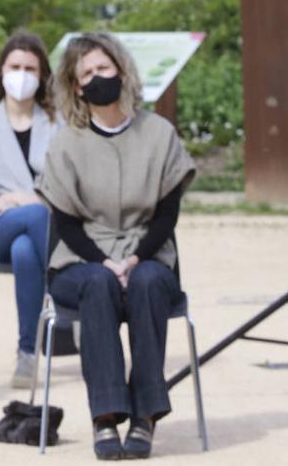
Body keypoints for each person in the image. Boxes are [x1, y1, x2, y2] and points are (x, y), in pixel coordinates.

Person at [38, 32, 194, 461]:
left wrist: (135, 258)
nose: (96, 77)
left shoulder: (159, 133)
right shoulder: (66, 143)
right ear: (75, 86)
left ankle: (145, 417)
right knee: (98, 284)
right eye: (86, 72)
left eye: (103, 68)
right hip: (81, 260)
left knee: (145, 282)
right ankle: (105, 417)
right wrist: (106, 262)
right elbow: (65, 223)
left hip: (149, 253)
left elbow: (167, 214)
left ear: (122, 71)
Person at [0, 30, 56, 387]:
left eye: (30, 67)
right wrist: (21, 199)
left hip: (36, 231)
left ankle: (27, 354)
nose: (22, 74)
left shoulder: (59, 124)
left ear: (43, 75)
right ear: (2, 71)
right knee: (34, 216)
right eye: (15, 66)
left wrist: (29, 197)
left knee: (25, 251)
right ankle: (67, 309)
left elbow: (67, 184)